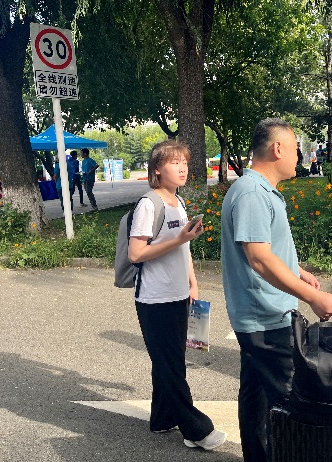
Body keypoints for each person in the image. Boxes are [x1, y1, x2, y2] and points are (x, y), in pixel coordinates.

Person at [221, 118, 332, 462]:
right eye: (295, 149)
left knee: (256, 396)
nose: (298, 157)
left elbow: (267, 250)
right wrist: (313, 297)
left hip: (260, 314)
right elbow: (259, 259)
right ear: (277, 149)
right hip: (266, 317)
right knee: (292, 398)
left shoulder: (257, 190)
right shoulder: (252, 193)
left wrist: (298, 272)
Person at [128, 140, 227, 451]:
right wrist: (180, 239)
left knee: (169, 360)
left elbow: (184, 250)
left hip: (178, 293)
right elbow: (136, 254)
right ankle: (196, 429)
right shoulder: (149, 204)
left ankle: (162, 418)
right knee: (171, 364)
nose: (182, 168)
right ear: (158, 169)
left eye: (184, 162)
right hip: (154, 298)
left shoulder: (178, 201)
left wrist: (192, 282)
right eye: (174, 163)